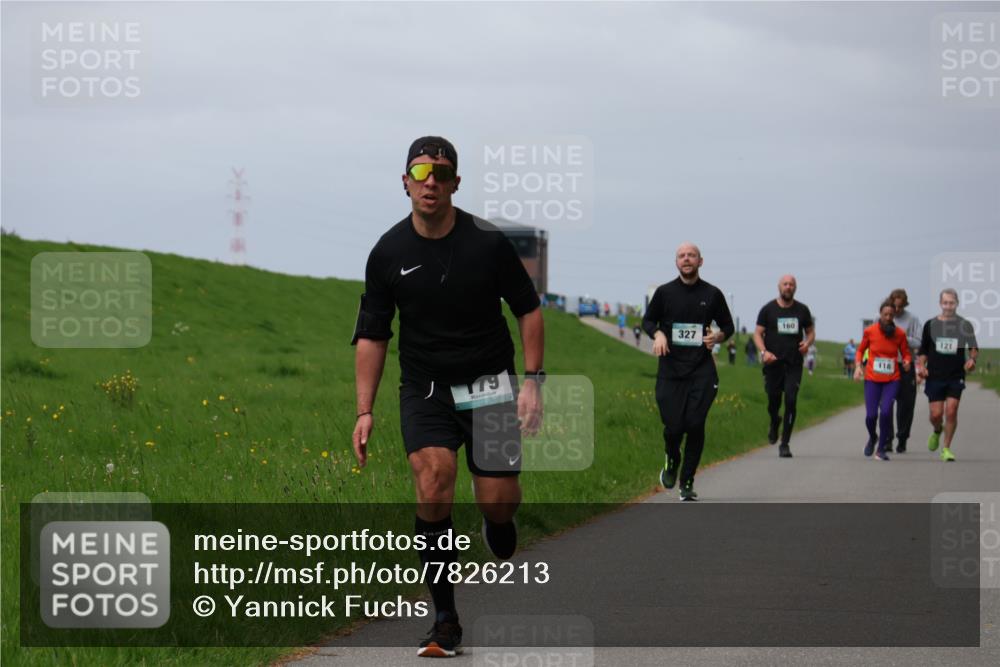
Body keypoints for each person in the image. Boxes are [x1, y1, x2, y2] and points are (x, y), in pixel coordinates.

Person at [351, 136, 544, 658]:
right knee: (433, 483)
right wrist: (364, 411)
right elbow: (372, 334)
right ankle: (445, 619)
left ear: (456, 182)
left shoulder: (488, 242)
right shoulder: (388, 253)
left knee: (498, 503)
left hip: (489, 385)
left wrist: (532, 382)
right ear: (405, 183)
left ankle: (498, 524)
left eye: (440, 173)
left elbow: (528, 310)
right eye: (420, 172)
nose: (430, 181)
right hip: (426, 388)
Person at [642, 242, 734, 500]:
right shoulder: (664, 293)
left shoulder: (713, 294)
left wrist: (718, 337)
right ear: (676, 262)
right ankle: (672, 458)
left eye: (691, 255)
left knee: (694, 424)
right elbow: (648, 320)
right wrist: (658, 334)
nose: (686, 259)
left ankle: (687, 481)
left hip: (701, 370)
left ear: (700, 262)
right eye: (682, 256)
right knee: (673, 427)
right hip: (670, 371)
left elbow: (728, 326)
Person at [753, 275, 815, 458]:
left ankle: (785, 443)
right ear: (779, 287)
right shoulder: (768, 309)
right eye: (785, 284)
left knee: (790, 400)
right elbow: (757, 333)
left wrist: (807, 343)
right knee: (773, 400)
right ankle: (774, 420)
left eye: (791, 284)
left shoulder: (802, 310)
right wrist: (764, 352)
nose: (788, 287)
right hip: (773, 363)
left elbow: (810, 332)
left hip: (794, 363)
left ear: (795, 288)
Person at [917, 288, 979, 462]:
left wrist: (972, 360)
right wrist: (921, 366)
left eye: (951, 303)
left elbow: (973, 347)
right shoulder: (930, 325)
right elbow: (923, 350)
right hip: (935, 375)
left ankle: (946, 448)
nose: (948, 306)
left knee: (951, 411)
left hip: (955, 375)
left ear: (957, 304)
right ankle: (937, 430)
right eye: (945, 303)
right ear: (940, 304)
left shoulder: (964, 325)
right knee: (936, 415)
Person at [854, 299, 911, 461]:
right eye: (885, 314)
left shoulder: (899, 334)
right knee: (871, 416)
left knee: (886, 412)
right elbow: (860, 351)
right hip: (872, 378)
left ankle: (881, 450)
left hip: (892, 379)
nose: (888, 317)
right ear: (880, 314)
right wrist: (858, 367)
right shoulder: (870, 331)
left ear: (894, 316)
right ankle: (873, 437)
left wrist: (906, 361)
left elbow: (906, 353)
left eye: (891, 315)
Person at [888, 288, 922, 453]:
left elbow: (918, 341)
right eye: (894, 306)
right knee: (886, 404)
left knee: (906, 405)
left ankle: (902, 438)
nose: (896, 310)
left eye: (900, 307)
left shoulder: (913, 319)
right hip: (886, 365)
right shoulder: (881, 317)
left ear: (905, 305)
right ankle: (887, 439)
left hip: (905, 365)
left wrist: (899, 335)